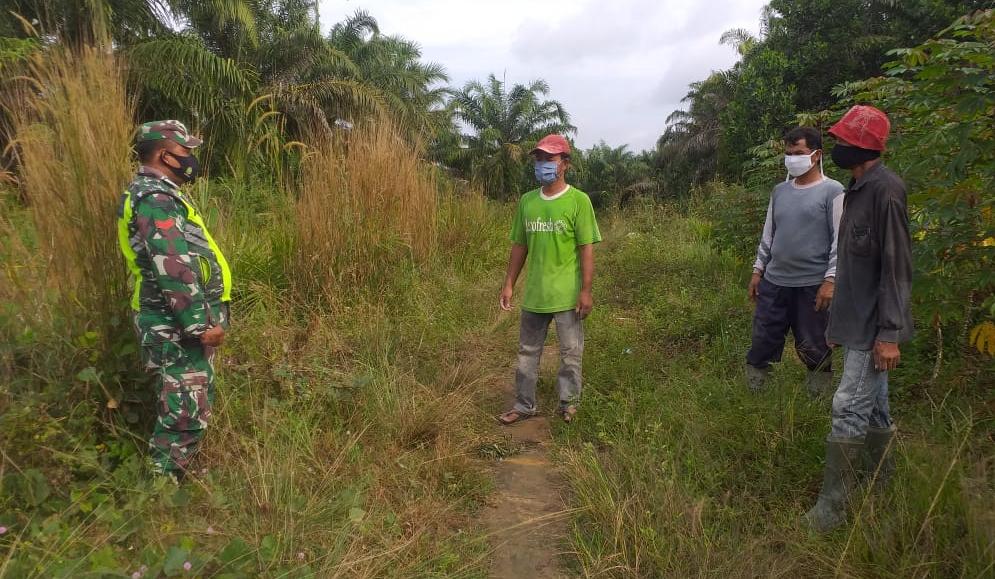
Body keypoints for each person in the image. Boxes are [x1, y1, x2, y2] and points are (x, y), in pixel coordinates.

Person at [805, 105, 913, 532]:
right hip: (855, 324)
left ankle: (831, 510)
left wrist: (889, 333)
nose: (836, 148)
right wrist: (837, 327)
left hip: (874, 329)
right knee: (875, 412)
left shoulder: (886, 191)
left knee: (847, 406)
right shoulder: (854, 191)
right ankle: (881, 487)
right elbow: (852, 269)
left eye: (842, 141)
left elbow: (896, 268)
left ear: (864, 146)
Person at [117, 120, 232, 481]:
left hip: (171, 321)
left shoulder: (155, 193)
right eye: (186, 152)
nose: (191, 159)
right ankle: (161, 491)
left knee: (183, 402)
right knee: (184, 412)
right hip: (173, 323)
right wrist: (199, 324)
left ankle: (168, 479)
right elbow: (173, 268)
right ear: (165, 154)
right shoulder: (155, 198)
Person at [497, 134, 602, 424]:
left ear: (565, 164)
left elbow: (586, 250)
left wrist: (586, 291)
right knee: (527, 354)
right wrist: (509, 284)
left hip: (567, 296)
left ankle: (569, 403)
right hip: (535, 295)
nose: (542, 164)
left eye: (549, 159)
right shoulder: (527, 202)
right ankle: (523, 405)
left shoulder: (579, 201)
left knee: (570, 353)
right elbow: (520, 246)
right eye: (539, 159)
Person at [746, 127, 844, 397]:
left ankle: (817, 401)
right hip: (775, 282)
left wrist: (831, 279)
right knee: (763, 341)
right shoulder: (780, 191)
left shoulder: (833, 191)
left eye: (799, 153)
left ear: (816, 155)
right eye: (788, 154)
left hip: (812, 285)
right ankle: (755, 396)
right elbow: (770, 233)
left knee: (815, 347)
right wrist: (758, 271)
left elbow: (840, 239)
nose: (792, 159)